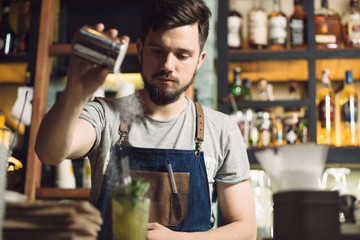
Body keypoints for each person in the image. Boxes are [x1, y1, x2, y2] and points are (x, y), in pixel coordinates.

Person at [35, 0, 256, 239]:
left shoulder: (221, 130)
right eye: (158, 51)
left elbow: (245, 229)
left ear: (199, 61)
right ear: (140, 50)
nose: (167, 65)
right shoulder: (106, 115)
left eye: (182, 55)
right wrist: (75, 91)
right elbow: (48, 152)